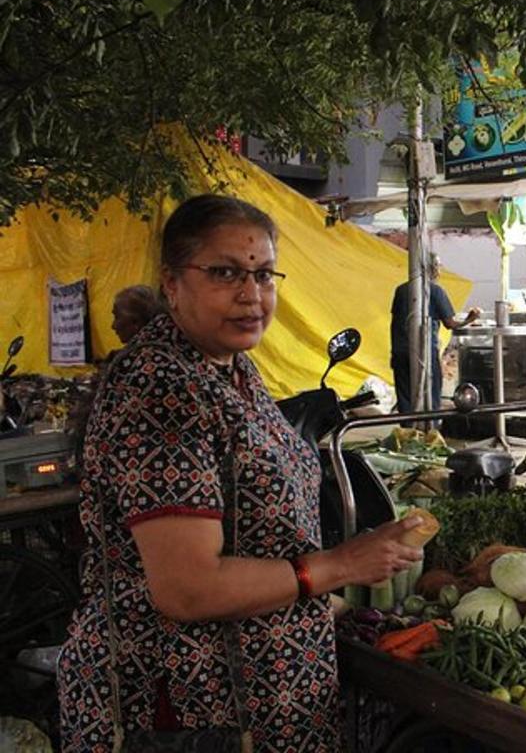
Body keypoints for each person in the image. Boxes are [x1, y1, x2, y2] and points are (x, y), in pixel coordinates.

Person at [58, 195, 428, 752]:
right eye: (225, 272)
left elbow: (259, 529)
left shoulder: (231, 367)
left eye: (262, 274)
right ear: (173, 284)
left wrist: (324, 602)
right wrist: (339, 566)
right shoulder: (161, 387)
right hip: (185, 709)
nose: (251, 295)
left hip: (262, 700)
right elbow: (187, 588)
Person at [390, 253, 480, 412]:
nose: (440, 270)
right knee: (431, 394)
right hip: (424, 353)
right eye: (438, 266)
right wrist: (470, 318)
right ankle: (429, 428)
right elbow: (450, 324)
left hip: (400, 352)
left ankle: (407, 432)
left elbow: (394, 323)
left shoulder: (401, 290)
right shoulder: (435, 291)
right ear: (430, 268)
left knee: (405, 396)